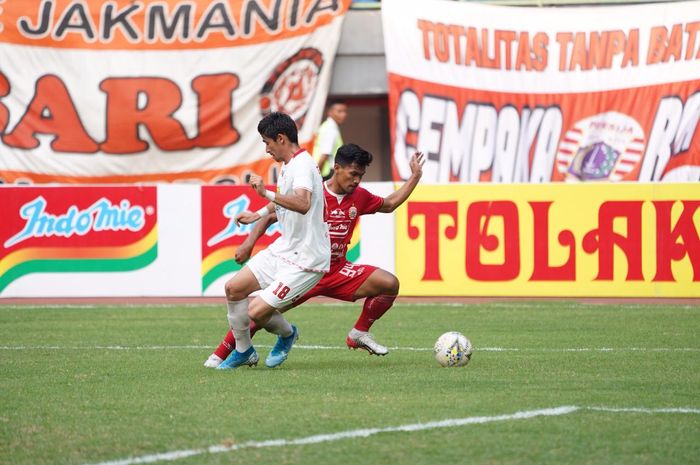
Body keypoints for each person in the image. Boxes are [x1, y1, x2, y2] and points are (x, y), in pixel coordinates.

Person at [205, 144, 424, 368]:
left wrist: (415, 177)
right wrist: (249, 243)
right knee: (260, 314)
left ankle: (358, 333)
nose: (357, 180)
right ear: (337, 168)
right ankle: (222, 354)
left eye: (361, 175)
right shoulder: (313, 194)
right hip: (305, 270)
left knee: (389, 284)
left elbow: (389, 204)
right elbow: (272, 215)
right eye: (354, 174)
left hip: (338, 270)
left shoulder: (360, 196)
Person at [215, 111, 330, 370]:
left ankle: (288, 334)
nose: (266, 149)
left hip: (307, 259)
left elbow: (301, 203)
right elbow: (283, 202)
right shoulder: (289, 165)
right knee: (234, 288)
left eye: (267, 142)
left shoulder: (302, 165)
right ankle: (244, 351)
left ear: (281, 138)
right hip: (285, 248)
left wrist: (263, 192)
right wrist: (256, 213)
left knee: (256, 312)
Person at [312, 99, 347, 180]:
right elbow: (324, 154)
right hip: (326, 174)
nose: (344, 114)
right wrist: (316, 178)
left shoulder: (326, 126)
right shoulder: (330, 129)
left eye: (345, 111)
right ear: (330, 112)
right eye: (339, 111)